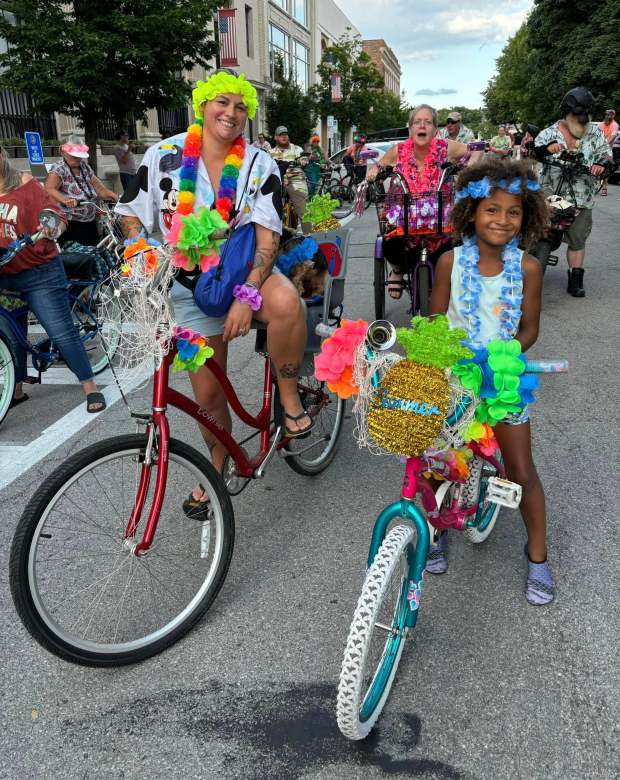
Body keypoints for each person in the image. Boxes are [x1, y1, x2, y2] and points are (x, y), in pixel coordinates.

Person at [115, 70, 312, 503]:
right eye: (222, 102)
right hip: (185, 281)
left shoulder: (260, 164)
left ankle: (288, 392)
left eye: (241, 107)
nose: (231, 113)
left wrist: (246, 295)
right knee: (206, 393)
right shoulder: (163, 156)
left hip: (242, 269)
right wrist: (136, 245)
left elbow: (267, 240)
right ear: (202, 105)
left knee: (285, 303)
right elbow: (131, 212)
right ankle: (217, 465)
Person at [429, 156, 553, 605]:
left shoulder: (530, 269)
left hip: (502, 381)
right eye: (491, 210)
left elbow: (530, 328)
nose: (502, 220)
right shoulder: (449, 262)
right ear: (471, 212)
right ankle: (437, 530)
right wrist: (441, 352)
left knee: (522, 470)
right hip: (456, 378)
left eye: (513, 212)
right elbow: (435, 318)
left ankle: (537, 555)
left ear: (527, 217)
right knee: (439, 459)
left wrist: (509, 353)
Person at [0, 148, 106, 413]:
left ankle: (90, 387)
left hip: (39, 271)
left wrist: (51, 227)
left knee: (61, 332)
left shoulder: (24, 182)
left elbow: (54, 212)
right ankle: (16, 388)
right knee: (11, 334)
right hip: (5, 274)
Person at [366, 104, 481, 299]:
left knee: (457, 243)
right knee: (389, 242)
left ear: (436, 130)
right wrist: (374, 171)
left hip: (439, 214)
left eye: (427, 122)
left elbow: (477, 149)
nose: (422, 126)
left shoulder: (446, 147)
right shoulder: (399, 150)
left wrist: (470, 165)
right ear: (410, 129)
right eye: (417, 122)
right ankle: (398, 270)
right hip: (405, 215)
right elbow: (379, 165)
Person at [534, 86, 612, 297]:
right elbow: (535, 153)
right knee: (541, 233)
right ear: (567, 114)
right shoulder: (548, 133)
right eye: (578, 115)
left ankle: (575, 278)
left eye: (585, 115)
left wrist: (602, 164)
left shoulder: (595, 132)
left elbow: (608, 155)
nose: (582, 120)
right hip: (552, 193)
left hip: (582, 195)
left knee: (577, 239)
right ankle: (532, 271)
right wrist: (545, 149)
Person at [45, 134, 119, 246]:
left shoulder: (85, 167)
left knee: (96, 249)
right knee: (82, 257)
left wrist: (115, 196)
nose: (78, 159)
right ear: (64, 153)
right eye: (74, 156)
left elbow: (99, 189)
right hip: (71, 223)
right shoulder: (59, 168)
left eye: (79, 156)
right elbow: (49, 189)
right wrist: (66, 200)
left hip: (90, 220)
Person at [269, 125, 309, 230]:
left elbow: (303, 158)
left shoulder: (296, 149)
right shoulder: (270, 152)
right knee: (271, 211)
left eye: (285, 134)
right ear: (275, 137)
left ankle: (310, 237)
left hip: (295, 182)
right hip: (277, 184)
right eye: (281, 135)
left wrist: (302, 161)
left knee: (303, 211)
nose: (284, 137)